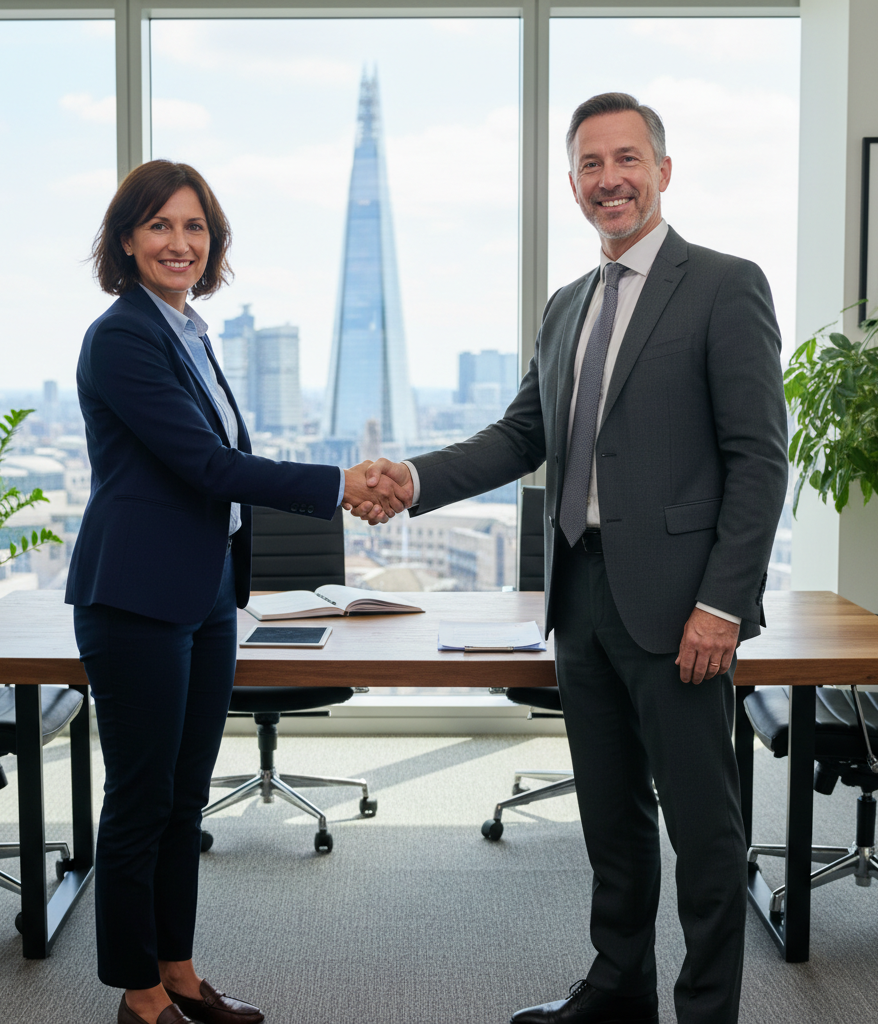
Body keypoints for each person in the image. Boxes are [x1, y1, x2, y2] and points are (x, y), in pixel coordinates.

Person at [353, 93, 788, 1024]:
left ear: (663, 171)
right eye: (591, 166)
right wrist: (412, 478)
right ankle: (618, 986)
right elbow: (520, 436)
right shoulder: (566, 306)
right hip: (580, 595)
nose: (610, 180)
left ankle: (707, 1010)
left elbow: (759, 460)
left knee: (704, 831)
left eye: (627, 159)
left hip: (681, 609)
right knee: (612, 817)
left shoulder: (724, 283)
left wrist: (722, 603)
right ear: (573, 185)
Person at [66, 159, 403, 1024]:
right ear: (127, 240)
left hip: (209, 592)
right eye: (160, 226)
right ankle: (138, 996)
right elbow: (206, 465)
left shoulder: (191, 331)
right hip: (136, 596)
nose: (180, 243)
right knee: (141, 798)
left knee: (184, 796)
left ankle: (178, 971)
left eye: (195, 228)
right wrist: (339, 485)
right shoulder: (122, 337)